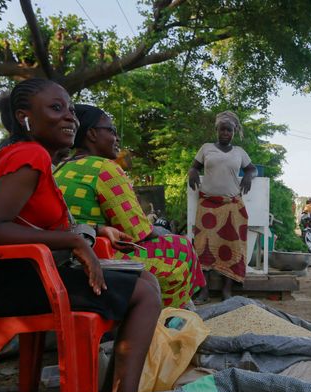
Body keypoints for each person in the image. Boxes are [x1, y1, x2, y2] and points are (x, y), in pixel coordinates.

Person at [0, 79, 161, 392]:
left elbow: (36, 221)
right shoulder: (30, 156)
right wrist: (71, 241)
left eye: (70, 109)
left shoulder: (35, 159)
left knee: (146, 281)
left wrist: (93, 231)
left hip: (22, 270)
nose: (70, 118)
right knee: (145, 294)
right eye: (56, 108)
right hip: (4, 280)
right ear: (25, 118)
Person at [53, 104, 206, 309]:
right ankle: (170, 318)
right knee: (182, 247)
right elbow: (136, 232)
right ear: (91, 134)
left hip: (69, 252)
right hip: (97, 256)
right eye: (112, 131)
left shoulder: (62, 167)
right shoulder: (105, 168)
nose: (117, 139)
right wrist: (161, 232)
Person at [188, 111, 257, 301]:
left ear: (234, 132)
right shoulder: (206, 148)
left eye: (229, 130)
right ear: (217, 130)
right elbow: (195, 166)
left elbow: (252, 168)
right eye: (222, 129)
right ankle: (204, 291)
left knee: (232, 245)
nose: (225, 133)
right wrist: (192, 171)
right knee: (203, 247)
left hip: (231, 205)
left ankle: (227, 291)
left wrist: (249, 176)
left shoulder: (239, 152)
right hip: (208, 205)